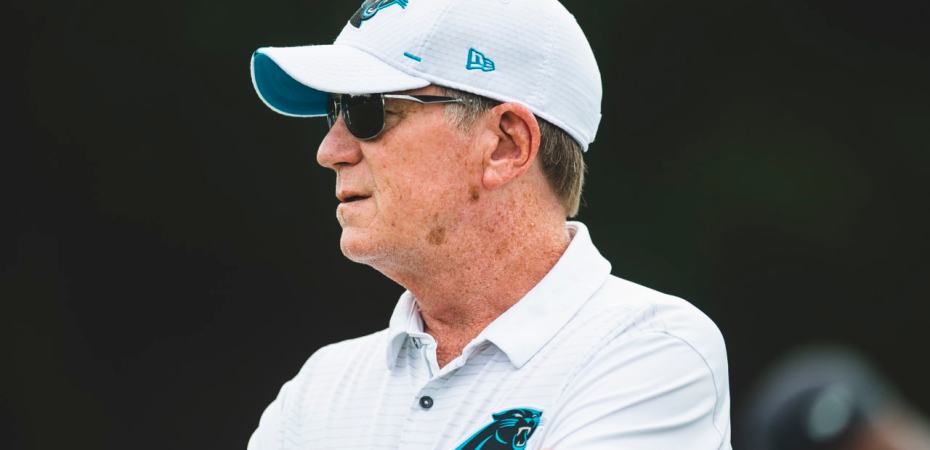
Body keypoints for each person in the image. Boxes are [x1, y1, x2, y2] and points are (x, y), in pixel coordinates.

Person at [247, 0, 731, 448]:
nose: (330, 150)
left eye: (365, 111)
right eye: (335, 110)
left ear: (505, 145)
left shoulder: (652, 352)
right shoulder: (321, 386)